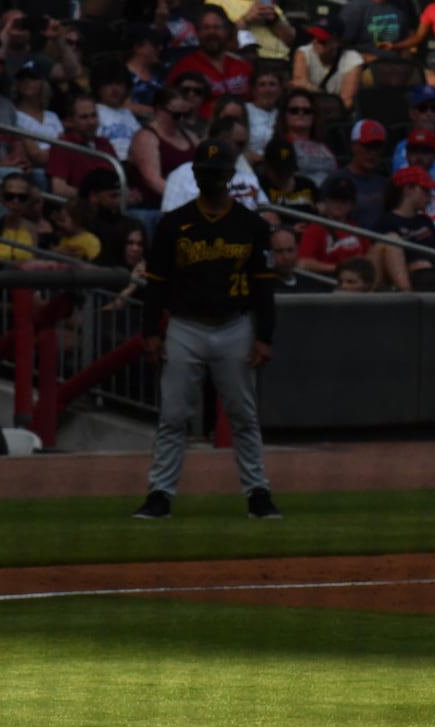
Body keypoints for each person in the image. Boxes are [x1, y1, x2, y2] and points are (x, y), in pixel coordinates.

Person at [132, 140, 280, 522]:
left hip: (236, 326)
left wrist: (265, 336)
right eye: (204, 172)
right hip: (185, 325)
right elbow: (157, 283)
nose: (209, 178)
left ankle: (258, 492)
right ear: (194, 175)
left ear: (230, 176)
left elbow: (264, 285)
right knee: (173, 415)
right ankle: (160, 494)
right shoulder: (173, 223)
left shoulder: (251, 225)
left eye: (216, 172)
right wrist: (151, 332)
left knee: (243, 415)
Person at [168, 7, 253, 120]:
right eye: (206, 28)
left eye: (217, 27)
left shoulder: (243, 67)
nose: (211, 32)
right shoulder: (185, 67)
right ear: (197, 32)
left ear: (227, 31)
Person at [372, 166, 435, 291]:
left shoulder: (426, 221)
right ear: (408, 189)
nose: (430, 197)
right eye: (426, 190)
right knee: (392, 239)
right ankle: (408, 295)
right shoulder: (386, 222)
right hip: (402, 279)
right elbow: (379, 263)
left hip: (432, 276)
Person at [129, 87, 200, 209]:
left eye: (186, 115)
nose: (182, 120)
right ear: (159, 111)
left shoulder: (190, 136)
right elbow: (153, 180)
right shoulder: (146, 138)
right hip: (155, 205)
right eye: (176, 115)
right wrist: (186, 199)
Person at [45, 94, 117, 198]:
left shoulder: (104, 143)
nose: (91, 122)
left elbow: (118, 180)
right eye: (84, 117)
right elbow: (59, 189)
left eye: (94, 116)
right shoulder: (63, 145)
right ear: (71, 121)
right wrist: (94, 198)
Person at [297, 176, 371, 276]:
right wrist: (339, 268)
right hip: (328, 281)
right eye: (334, 199)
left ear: (352, 205)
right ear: (325, 201)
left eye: (344, 200)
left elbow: (370, 260)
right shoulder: (315, 229)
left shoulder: (358, 230)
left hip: (358, 282)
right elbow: (303, 263)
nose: (339, 204)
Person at [292, 15, 363, 111]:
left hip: (336, 116)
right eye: (314, 37)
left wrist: (313, 90)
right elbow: (300, 87)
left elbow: (346, 102)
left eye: (322, 40)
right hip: (308, 112)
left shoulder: (353, 60)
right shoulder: (304, 53)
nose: (315, 42)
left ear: (336, 42)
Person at [330, 119, 391, 230]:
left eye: (377, 147)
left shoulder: (384, 183)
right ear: (353, 145)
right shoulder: (336, 180)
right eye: (367, 146)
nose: (372, 153)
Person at [256, 136, 317, 212]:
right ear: (267, 166)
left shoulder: (308, 185)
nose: (284, 175)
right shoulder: (258, 187)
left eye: (287, 170)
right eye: (279, 172)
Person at [268, 225, 327, 293]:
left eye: (290, 250)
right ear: (270, 253)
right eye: (279, 251)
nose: (286, 257)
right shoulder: (264, 288)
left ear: (297, 250)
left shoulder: (310, 284)